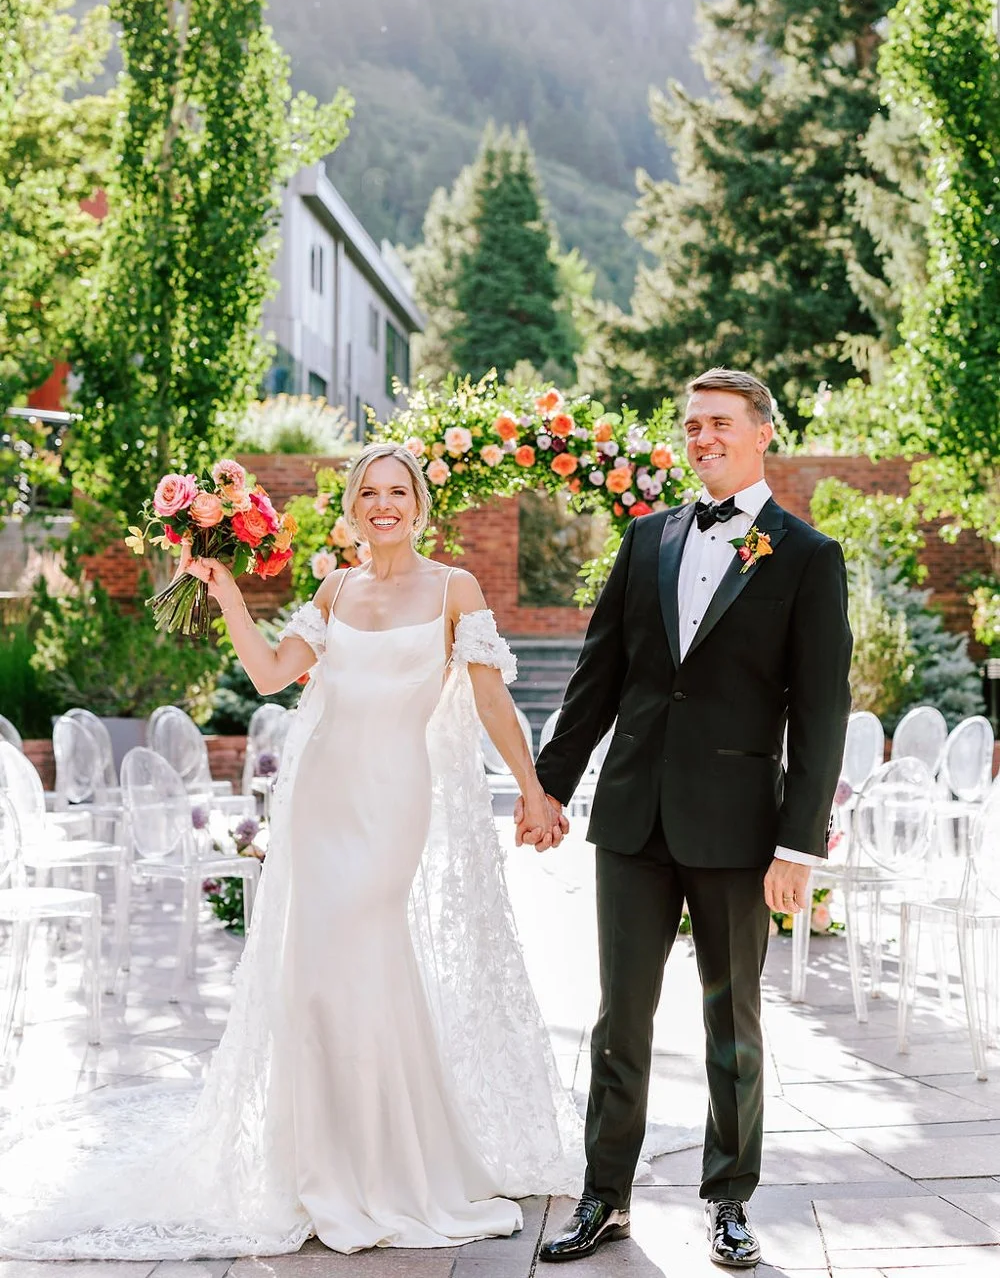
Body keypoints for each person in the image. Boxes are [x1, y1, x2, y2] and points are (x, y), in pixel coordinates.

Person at [0, 442, 579, 1258]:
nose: (384, 505)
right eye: (369, 493)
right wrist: (227, 591)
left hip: (392, 803)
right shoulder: (336, 588)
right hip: (320, 804)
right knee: (313, 983)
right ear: (352, 507)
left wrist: (531, 788)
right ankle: (319, 1169)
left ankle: (389, 1166)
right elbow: (272, 674)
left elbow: (489, 700)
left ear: (420, 504)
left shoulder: (456, 588)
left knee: (365, 959)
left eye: (398, 491)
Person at [528, 368, 853, 1268]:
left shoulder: (807, 556)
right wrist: (549, 785)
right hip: (633, 819)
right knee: (618, 1021)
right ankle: (605, 1197)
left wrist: (798, 844)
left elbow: (819, 713)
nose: (701, 438)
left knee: (732, 1025)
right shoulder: (647, 539)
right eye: (691, 425)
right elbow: (599, 675)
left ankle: (730, 1201)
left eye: (718, 423)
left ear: (762, 432)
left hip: (739, 830)